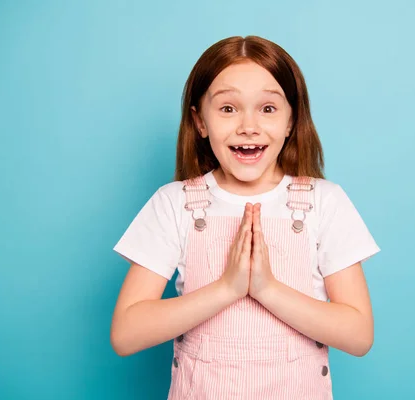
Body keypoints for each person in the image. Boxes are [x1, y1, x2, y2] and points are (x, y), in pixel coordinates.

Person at [110, 35, 380, 400]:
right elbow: (126, 333)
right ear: (199, 121)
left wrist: (266, 288)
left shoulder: (324, 203)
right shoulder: (174, 204)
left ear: (291, 120)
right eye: (228, 109)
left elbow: (359, 334)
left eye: (267, 108)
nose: (248, 126)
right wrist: (228, 288)